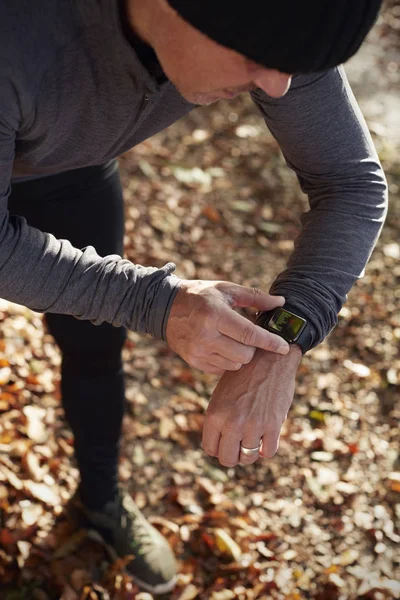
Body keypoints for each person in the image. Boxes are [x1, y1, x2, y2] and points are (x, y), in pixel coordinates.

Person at [0, 0, 387, 593]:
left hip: (69, 175)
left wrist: (284, 336)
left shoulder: (282, 30)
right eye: (259, 59)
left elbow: (351, 184)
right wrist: (156, 301)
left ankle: (100, 498)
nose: (280, 84)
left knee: (95, 351)